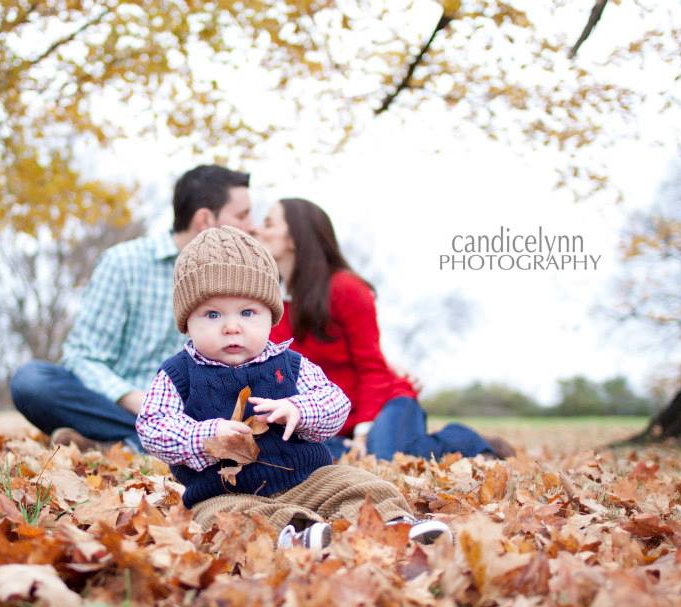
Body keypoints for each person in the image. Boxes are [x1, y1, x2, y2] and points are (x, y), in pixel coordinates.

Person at [136, 226, 451, 550]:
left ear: (271, 316)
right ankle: (296, 534)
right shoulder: (178, 374)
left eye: (247, 312)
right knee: (220, 519)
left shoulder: (290, 364)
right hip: (225, 492)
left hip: (306, 478)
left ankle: (393, 523)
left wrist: (300, 410)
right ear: (187, 322)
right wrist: (203, 435)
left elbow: (334, 402)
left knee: (356, 483)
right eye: (212, 314)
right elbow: (152, 425)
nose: (232, 326)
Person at [9, 165, 256, 451]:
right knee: (32, 382)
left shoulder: (237, 277)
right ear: (204, 220)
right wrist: (139, 401)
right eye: (242, 216)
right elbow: (83, 357)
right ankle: (144, 440)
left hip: (194, 414)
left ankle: (119, 443)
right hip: (118, 404)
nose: (252, 226)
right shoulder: (124, 262)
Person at [257, 197, 515, 462]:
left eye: (268, 224)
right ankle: (392, 444)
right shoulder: (269, 304)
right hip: (334, 417)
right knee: (313, 455)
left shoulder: (347, 289)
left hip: (385, 402)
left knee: (382, 459)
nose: (258, 230)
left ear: (294, 237)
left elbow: (371, 367)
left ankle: (465, 441)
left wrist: (363, 432)